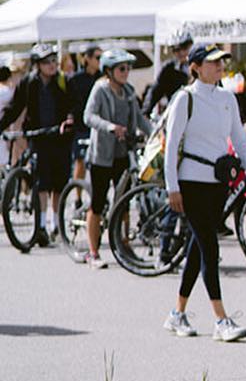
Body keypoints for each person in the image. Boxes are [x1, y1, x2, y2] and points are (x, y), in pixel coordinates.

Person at [162, 44, 246, 341]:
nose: (220, 67)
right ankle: (221, 319)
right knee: (209, 246)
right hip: (190, 182)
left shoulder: (227, 97)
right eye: (213, 62)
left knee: (198, 247)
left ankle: (177, 313)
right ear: (196, 67)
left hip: (219, 182)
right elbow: (171, 146)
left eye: (222, 62)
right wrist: (172, 186)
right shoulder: (185, 99)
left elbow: (240, 141)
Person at [83, 49, 147, 267]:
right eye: (122, 68)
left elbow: (139, 119)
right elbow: (88, 116)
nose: (126, 72)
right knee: (98, 203)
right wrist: (110, 127)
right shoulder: (100, 89)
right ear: (109, 71)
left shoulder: (128, 91)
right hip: (102, 155)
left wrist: (158, 133)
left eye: (128, 68)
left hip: (122, 154)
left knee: (125, 202)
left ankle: (123, 244)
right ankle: (93, 252)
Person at [6, 44, 75, 245]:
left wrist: (69, 120)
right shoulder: (29, 83)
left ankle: (56, 223)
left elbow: (73, 104)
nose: (52, 65)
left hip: (60, 136)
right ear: (37, 65)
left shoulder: (63, 81)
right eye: (46, 62)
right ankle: (42, 225)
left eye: (54, 60)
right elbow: (16, 107)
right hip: (39, 137)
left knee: (59, 182)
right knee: (42, 181)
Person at [67, 44, 102, 190]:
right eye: (97, 57)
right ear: (87, 58)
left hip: (98, 126)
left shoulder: (103, 78)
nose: (100, 60)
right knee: (80, 161)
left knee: (98, 163)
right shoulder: (76, 79)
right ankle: (78, 196)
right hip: (81, 126)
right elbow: (69, 102)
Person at [145, 34, 192, 116]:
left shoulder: (203, 64)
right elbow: (156, 91)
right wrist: (146, 112)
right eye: (176, 50)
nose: (181, 53)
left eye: (184, 48)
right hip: (178, 113)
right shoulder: (169, 69)